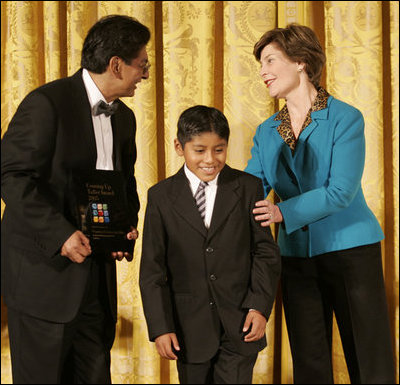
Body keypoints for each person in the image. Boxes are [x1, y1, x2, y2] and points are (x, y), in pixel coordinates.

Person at [1, 15, 150, 384]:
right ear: (116, 65)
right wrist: (61, 235)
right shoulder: (46, 103)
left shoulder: (125, 119)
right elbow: (11, 176)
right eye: (142, 65)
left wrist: (123, 228)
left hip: (96, 284)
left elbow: (124, 183)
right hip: (43, 279)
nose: (145, 75)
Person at [245, 23, 395, 384]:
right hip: (295, 256)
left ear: (300, 61)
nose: (262, 72)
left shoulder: (345, 117)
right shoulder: (267, 130)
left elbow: (340, 191)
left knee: (367, 358)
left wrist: (281, 211)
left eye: (270, 60)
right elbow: (248, 189)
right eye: (260, 64)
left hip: (351, 250)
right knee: (309, 361)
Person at [139, 105, 281, 384]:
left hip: (240, 324)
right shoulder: (161, 196)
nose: (210, 159)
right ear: (180, 147)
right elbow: (152, 269)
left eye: (219, 149)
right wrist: (160, 327)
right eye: (200, 150)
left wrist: (259, 307)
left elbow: (265, 252)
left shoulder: (249, 187)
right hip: (187, 330)